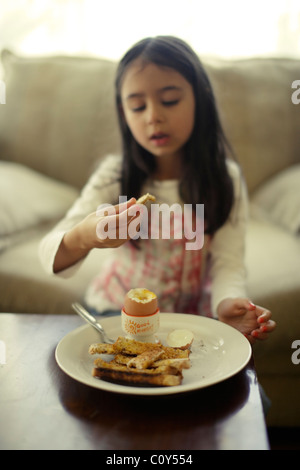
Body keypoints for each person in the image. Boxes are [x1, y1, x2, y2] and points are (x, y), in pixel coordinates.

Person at [39, 36, 276, 344]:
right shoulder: (114, 175)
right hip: (114, 314)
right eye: (137, 106)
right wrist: (85, 236)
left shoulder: (224, 178)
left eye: (169, 101)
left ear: (200, 98)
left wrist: (228, 302)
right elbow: (49, 256)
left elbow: (228, 262)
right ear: (123, 112)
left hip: (189, 321)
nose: (153, 116)